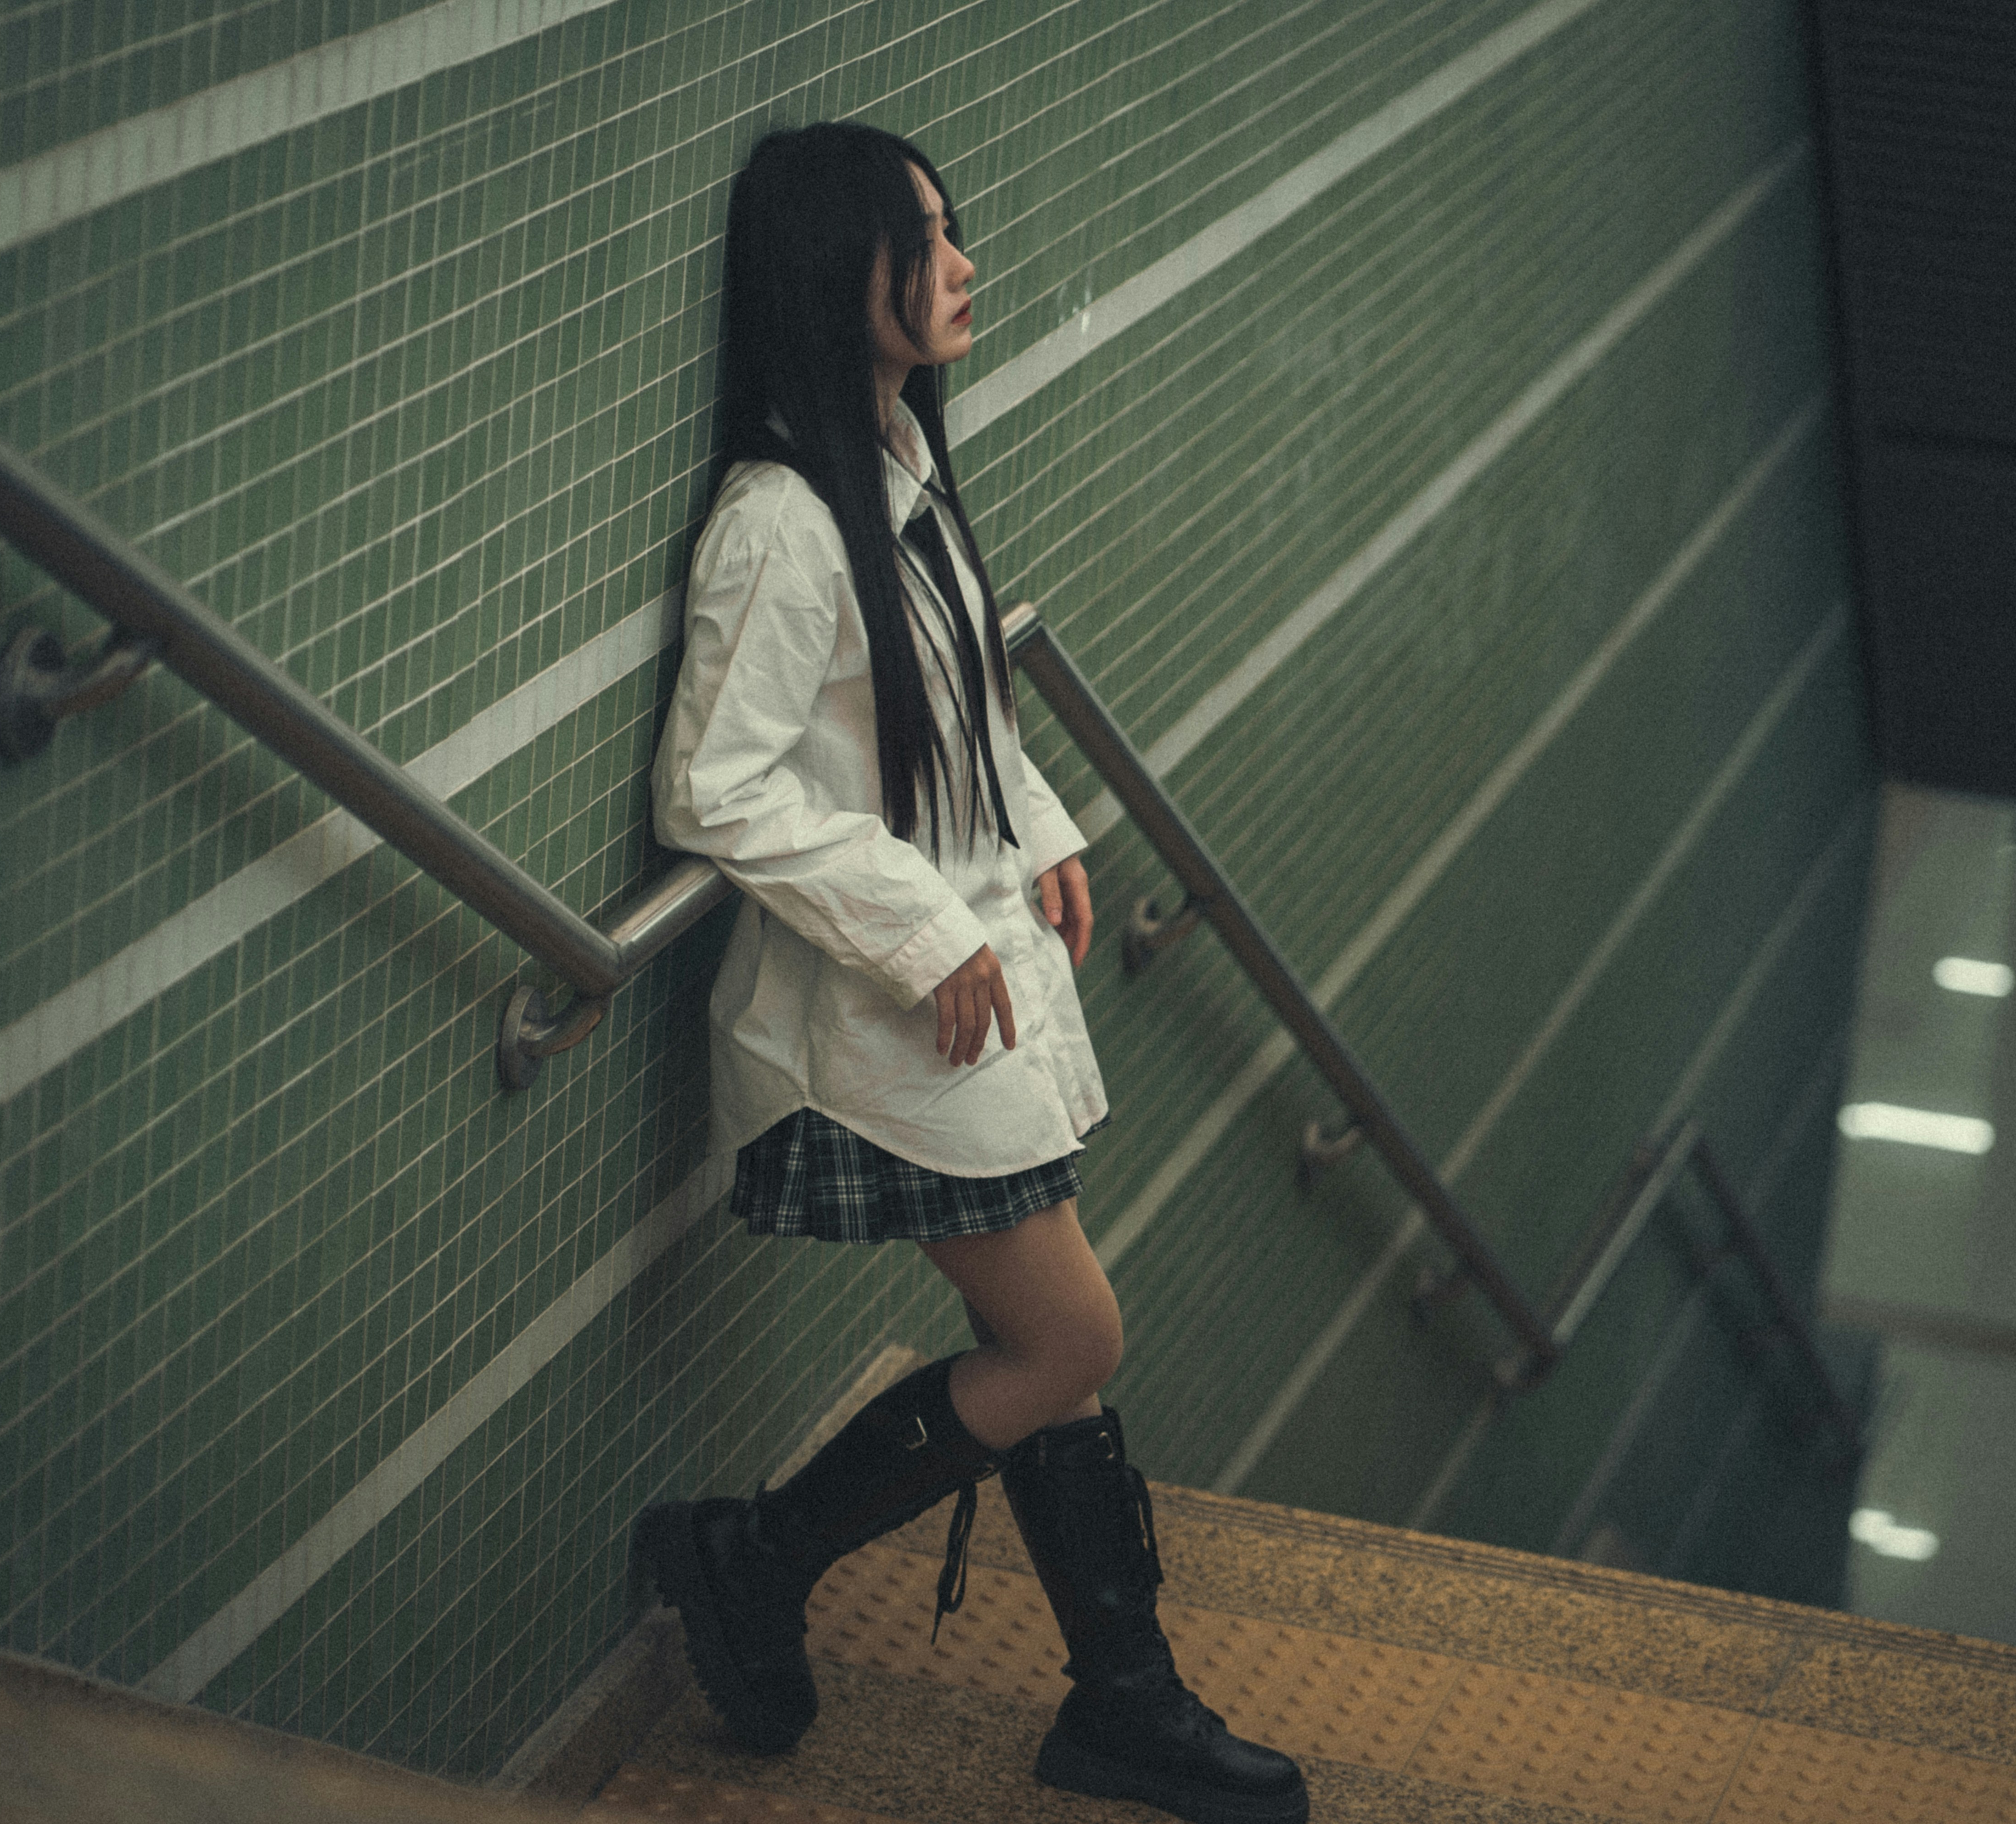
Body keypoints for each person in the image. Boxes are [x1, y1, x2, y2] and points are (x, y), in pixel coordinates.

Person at [635, 123, 1307, 1824]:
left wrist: (1049, 824)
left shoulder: (895, 463)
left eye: (951, 233)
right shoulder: (782, 518)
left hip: (958, 985)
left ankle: (1119, 1698)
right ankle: (765, 1557)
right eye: (919, 244)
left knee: (1053, 1338)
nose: (961, 269)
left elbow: (957, 703)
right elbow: (714, 785)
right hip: (887, 1010)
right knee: (1070, 1339)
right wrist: (927, 924)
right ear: (823, 275)